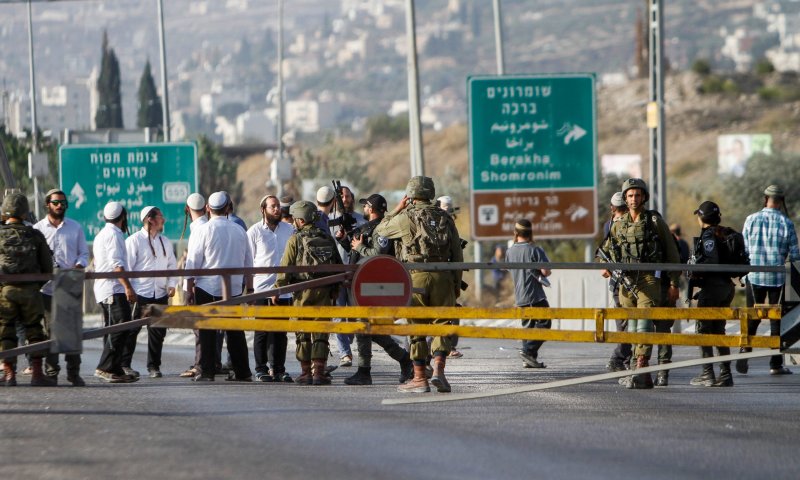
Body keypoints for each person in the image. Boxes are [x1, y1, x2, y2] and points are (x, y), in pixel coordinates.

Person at [375, 176, 463, 393]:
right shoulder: (445, 217)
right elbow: (458, 255)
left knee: (417, 327)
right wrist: (455, 284)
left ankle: (419, 379)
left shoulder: (405, 217)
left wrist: (397, 209)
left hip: (416, 277)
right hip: (443, 275)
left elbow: (380, 229)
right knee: (442, 324)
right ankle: (440, 370)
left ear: (410, 195)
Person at [600, 178, 681, 389]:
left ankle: (642, 366)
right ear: (625, 199)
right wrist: (605, 266)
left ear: (643, 197)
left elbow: (672, 254)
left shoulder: (654, 222)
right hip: (626, 282)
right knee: (632, 325)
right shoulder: (619, 224)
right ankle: (638, 370)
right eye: (630, 195)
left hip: (648, 279)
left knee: (644, 321)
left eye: (637, 195)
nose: (634, 199)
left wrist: (674, 284)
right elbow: (606, 250)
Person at [343, 193, 413, 386]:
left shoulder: (382, 230)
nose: (363, 209)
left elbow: (378, 255)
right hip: (366, 284)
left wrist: (360, 247)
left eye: (365, 206)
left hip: (374, 285)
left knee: (364, 327)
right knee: (368, 329)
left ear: (371, 209)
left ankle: (366, 371)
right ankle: (403, 359)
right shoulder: (375, 227)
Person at [184, 191, 253, 382]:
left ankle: (207, 372)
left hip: (207, 288)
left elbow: (192, 263)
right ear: (228, 207)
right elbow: (249, 263)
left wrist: (188, 289)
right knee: (235, 332)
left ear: (208, 209)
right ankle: (243, 372)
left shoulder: (202, 230)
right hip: (234, 290)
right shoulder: (239, 230)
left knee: (206, 332)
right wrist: (251, 290)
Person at [275, 200, 343, 386]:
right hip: (325, 291)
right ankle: (319, 373)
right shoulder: (327, 237)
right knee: (321, 331)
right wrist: (335, 289)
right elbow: (338, 267)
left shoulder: (295, 239)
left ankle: (306, 373)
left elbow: (286, 268)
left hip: (302, 292)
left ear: (300, 220)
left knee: (302, 332)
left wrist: (278, 289)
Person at [738, 184, 800, 375]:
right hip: (778, 278)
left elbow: (744, 249)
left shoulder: (751, 220)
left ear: (765, 199)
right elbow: (795, 256)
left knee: (753, 315)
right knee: (776, 321)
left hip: (754, 276)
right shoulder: (787, 223)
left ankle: (744, 351)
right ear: (781, 202)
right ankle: (775, 364)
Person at [33, 188, 89, 386]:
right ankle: (51, 371)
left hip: (69, 285)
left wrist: (79, 265)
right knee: (50, 332)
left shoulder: (75, 228)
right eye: (56, 202)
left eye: (63, 203)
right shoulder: (38, 229)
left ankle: (73, 372)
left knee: (72, 331)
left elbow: (84, 254)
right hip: (46, 289)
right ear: (48, 204)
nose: (59, 206)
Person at [0, 193, 57, 387]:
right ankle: (37, 374)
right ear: (25, 212)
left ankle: (9, 374)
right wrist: (34, 285)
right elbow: (47, 266)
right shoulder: (35, 234)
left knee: (6, 331)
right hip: (31, 291)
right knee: (34, 331)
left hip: (6, 291)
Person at [247, 195, 294, 383]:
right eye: (272, 206)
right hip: (262, 289)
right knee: (262, 331)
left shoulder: (289, 230)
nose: (277, 209)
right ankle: (261, 368)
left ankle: (279, 368)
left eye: (278, 206)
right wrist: (249, 290)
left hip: (284, 289)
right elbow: (248, 262)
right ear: (263, 209)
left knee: (281, 332)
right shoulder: (254, 232)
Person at [125, 206, 177, 378]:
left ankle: (153, 366)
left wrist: (171, 284)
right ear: (150, 219)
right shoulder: (134, 241)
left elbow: (172, 266)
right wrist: (129, 291)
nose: (163, 220)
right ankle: (124, 364)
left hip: (160, 294)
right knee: (132, 331)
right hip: (140, 294)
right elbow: (128, 268)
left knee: (158, 332)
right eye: (160, 217)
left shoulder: (165, 242)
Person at [689, 201, 735, 387]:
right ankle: (725, 374)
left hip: (713, 288)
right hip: (726, 287)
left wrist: (693, 265)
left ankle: (707, 373)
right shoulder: (723, 233)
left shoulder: (709, 235)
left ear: (701, 218)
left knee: (703, 329)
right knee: (719, 330)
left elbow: (711, 259)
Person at [93, 201, 139, 383]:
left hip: (109, 289)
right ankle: (104, 367)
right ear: (123, 217)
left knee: (116, 327)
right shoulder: (114, 235)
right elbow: (116, 265)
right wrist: (128, 287)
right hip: (112, 289)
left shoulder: (104, 233)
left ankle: (116, 368)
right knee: (120, 325)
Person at [506, 219, 552, 369]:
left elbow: (509, 269)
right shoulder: (535, 250)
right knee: (545, 323)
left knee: (528, 327)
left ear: (515, 233)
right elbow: (546, 271)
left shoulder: (510, 251)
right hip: (535, 295)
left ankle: (529, 360)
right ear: (531, 233)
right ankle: (527, 351)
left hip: (519, 295)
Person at [330, 184, 366, 368]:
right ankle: (345, 353)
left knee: (353, 315)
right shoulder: (330, 221)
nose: (345, 199)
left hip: (355, 274)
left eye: (348, 196)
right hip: (336, 273)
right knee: (337, 314)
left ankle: (348, 341)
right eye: (341, 196)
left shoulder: (360, 220)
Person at [179, 193, 208, 378]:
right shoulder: (206, 226)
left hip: (201, 286)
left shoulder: (198, 230)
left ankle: (201, 365)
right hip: (217, 285)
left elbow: (192, 263)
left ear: (187, 210)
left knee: (200, 329)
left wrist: (187, 290)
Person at [602, 192, 631, 373]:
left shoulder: (610, 224)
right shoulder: (614, 225)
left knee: (626, 321)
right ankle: (621, 357)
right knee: (626, 321)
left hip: (625, 280)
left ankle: (624, 357)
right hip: (622, 280)